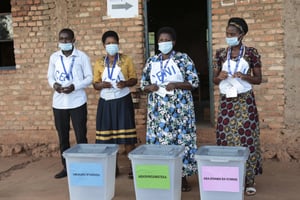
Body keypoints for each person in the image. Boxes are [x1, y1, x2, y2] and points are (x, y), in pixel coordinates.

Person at [140, 26, 199, 192]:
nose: (164, 43)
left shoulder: (183, 59)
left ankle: (182, 178)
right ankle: (162, 176)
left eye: (167, 40)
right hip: (158, 112)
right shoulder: (152, 61)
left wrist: (177, 85)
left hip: (180, 111)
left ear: (174, 41)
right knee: (161, 142)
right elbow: (143, 84)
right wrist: (149, 87)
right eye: (161, 40)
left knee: (180, 142)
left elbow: (194, 82)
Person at [212, 17, 263, 196]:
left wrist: (245, 76)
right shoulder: (220, 54)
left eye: (232, 34)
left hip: (245, 101)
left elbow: (258, 79)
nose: (229, 36)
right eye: (227, 34)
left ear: (241, 35)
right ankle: (230, 178)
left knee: (247, 138)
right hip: (227, 102)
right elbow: (214, 79)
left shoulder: (251, 53)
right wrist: (220, 76)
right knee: (225, 137)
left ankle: (249, 180)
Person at [47, 28, 93, 179]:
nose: (64, 42)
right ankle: (66, 167)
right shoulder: (54, 57)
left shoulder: (82, 57)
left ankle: (84, 167)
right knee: (63, 136)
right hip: (59, 103)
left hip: (77, 101)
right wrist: (56, 86)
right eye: (61, 39)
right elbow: (50, 77)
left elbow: (89, 78)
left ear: (74, 40)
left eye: (67, 39)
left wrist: (75, 86)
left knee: (81, 136)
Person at [93, 30, 138, 178]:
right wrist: (101, 85)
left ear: (118, 44)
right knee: (107, 137)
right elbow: (95, 83)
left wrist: (125, 83)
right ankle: (113, 168)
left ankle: (133, 168)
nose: (111, 45)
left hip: (123, 100)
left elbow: (134, 79)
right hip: (106, 102)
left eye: (113, 43)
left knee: (128, 136)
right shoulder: (99, 62)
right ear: (104, 45)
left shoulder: (126, 60)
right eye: (108, 43)